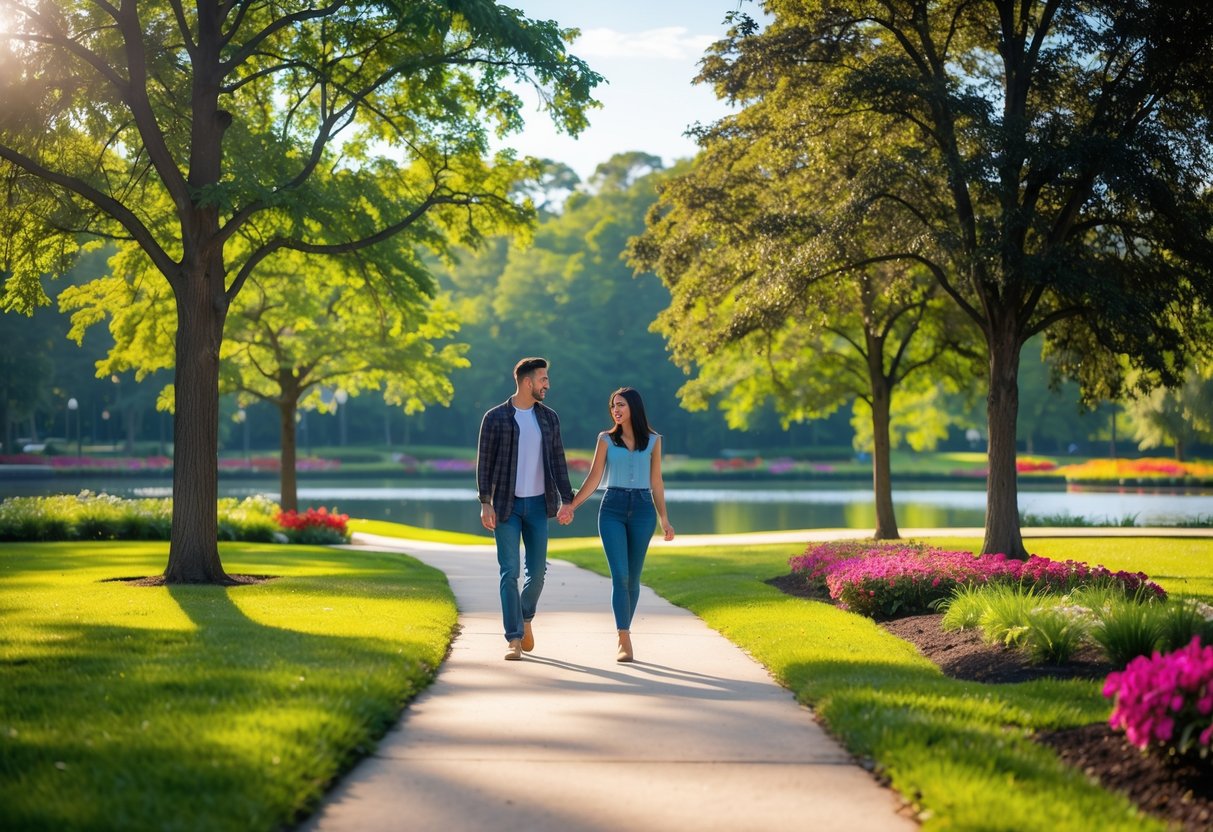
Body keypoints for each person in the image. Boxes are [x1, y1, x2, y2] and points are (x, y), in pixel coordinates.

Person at [563, 387, 674, 662]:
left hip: (643, 510)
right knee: (620, 576)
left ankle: (626, 630)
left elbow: (656, 481)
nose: (616, 410)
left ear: (633, 407)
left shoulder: (654, 441)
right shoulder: (606, 439)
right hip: (611, 508)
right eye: (613, 406)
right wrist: (572, 506)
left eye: (621, 405)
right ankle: (623, 637)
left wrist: (664, 518)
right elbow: (594, 477)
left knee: (633, 579)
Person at [477, 357, 575, 661]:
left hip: (538, 505)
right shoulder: (495, 418)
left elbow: (558, 461)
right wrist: (485, 502)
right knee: (509, 572)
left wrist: (567, 499)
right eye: (543, 379)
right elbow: (484, 464)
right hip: (506, 505)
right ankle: (514, 638)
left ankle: (524, 616)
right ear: (527, 381)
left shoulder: (549, 419)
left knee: (538, 574)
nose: (547, 384)